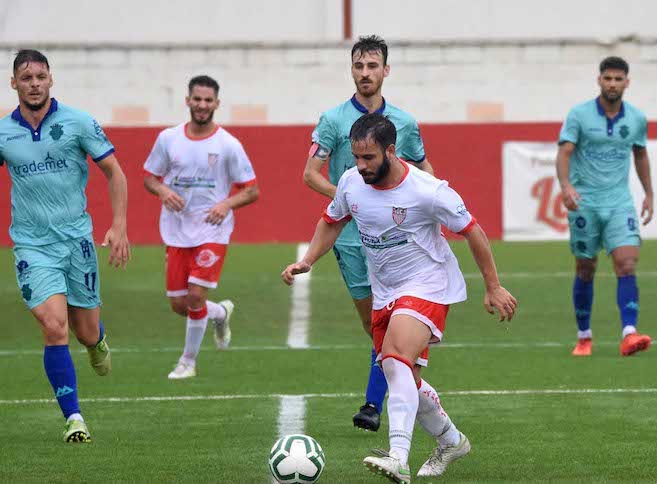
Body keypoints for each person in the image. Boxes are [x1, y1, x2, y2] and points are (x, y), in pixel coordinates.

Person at [284, 113, 516, 482]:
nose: (360, 166)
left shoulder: (428, 190)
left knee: (393, 361)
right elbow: (331, 221)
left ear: (390, 151)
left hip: (428, 283)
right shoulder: (350, 182)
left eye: (369, 158)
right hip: (385, 291)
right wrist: (307, 260)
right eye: (356, 158)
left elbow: (473, 231)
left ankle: (397, 457)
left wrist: (493, 285)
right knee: (405, 378)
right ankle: (451, 441)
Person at [303, 35, 435, 432]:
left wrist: (436, 211)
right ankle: (404, 380)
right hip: (350, 239)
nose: (365, 73)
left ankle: (375, 404)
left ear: (385, 71)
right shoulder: (332, 120)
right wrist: (349, 200)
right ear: (352, 70)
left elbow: (426, 171)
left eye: (372, 66)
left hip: (397, 237)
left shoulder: (404, 123)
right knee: (372, 324)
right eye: (359, 66)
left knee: (394, 319)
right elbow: (310, 174)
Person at [0, 49, 130, 442]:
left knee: (84, 330)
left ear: (51, 80)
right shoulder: (4, 132)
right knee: (53, 326)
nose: (34, 83)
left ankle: (96, 340)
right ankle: (74, 418)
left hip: (76, 242)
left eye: (40, 76)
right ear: (14, 84)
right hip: (31, 246)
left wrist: (119, 226)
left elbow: (115, 172)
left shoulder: (78, 122)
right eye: (26, 77)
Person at [143, 75, 259, 379]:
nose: (202, 105)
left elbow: (251, 190)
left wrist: (225, 204)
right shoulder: (168, 139)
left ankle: (188, 362)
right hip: (176, 230)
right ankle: (220, 312)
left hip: (212, 230)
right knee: (180, 304)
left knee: (195, 296)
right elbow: (149, 178)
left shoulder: (228, 145)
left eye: (208, 100)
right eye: (197, 99)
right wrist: (163, 191)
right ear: (188, 101)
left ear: (217, 104)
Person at [556, 56, 654, 357]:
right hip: (585, 202)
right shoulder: (579, 115)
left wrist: (649, 193)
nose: (613, 84)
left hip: (619, 202)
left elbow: (640, 155)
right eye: (608, 78)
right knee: (586, 267)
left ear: (627, 82)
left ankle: (629, 333)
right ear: (599, 80)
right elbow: (564, 153)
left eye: (618, 79)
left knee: (626, 262)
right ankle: (584, 337)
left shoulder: (636, 118)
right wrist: (566, 187)